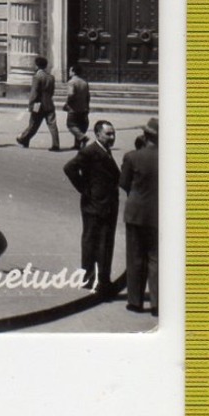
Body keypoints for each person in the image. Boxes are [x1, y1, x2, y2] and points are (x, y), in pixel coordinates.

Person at [63, 119, 121, 298]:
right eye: (108, 134)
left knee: (104, 244)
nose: (112, 137)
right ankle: (90, 280)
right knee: (92, 243)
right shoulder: (90, 151)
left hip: (106, 205)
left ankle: (102, 280)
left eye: (113, 134)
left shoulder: (105, 151)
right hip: (95, 206)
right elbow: (69, 168)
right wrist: (85, 190)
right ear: (97, 134)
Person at [120, 116, 159, 316]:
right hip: (158, 214)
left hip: (136, 213)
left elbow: (124, 183)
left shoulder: (132, 157)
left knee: (135, 257)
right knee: (155, 258)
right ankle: (157, 303)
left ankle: (135, 301)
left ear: (145, 135)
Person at [18, 55, 61, 150]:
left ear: (37, 66)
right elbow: (52, 91)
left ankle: (24, 139)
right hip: (49, 104)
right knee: (52, 125)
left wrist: (31, 105)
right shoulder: (51, 77)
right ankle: (56, 144)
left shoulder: (37, 77)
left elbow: (34, 93)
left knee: (33, 124)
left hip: (38, 104)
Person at [62, 63, 92, 151]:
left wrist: (67, 103)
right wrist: (87, 106)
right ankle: (77, 144)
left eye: (70, 71)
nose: (69, 72)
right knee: (80, 125)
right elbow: (88, 96)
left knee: (71, 124)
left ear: (73, 72)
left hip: (73, 108)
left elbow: (71, 94)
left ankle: (82, 137)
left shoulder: (71, 82)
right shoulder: (84, 82)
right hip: (83, 107)